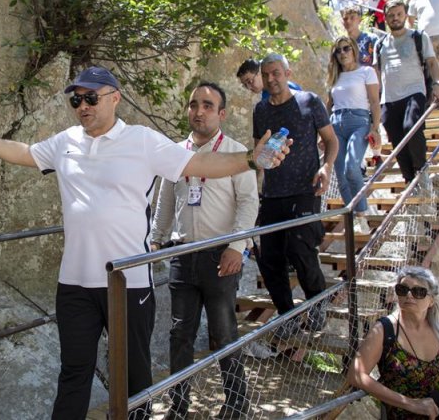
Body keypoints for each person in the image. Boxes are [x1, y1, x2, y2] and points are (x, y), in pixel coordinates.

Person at [0, 66, 290, 420]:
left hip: (127, 282)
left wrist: (249, 158)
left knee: (134, 381)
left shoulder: (142, 140)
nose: (83, 106)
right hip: (74, 284)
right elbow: (26, 152)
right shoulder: (65, 141)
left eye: (91, 97)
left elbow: (200, 162)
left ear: (114, 98)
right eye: (77, 99)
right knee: (74, 374)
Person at [150, 83, 258, 420]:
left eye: (208, 105)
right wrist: (156, 241)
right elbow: (164, 203)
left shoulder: (237, 152)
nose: (199, 110)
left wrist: (236, 247)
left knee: (223, 332)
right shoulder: (176, 154)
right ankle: (179, 406)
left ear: (221, 114)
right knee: (179, 334)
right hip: (183, 254)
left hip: (220, 255)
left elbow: (248, 203)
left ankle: (237, 404)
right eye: (194, 104)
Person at [253, 54, 338, 338]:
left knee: (300, 248)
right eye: (266, 75)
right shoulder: (260, 111)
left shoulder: (309, 102)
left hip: (305, 189)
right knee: (270, 257)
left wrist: (326, 167)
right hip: (273, 193)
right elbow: (259, 155)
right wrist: (257, 183)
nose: (271, 79)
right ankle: (286, 314)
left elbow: (330, 140)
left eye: (276, 73)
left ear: (287, 73)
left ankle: (316, 302)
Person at [347, 266, 439, 419]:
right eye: (402, 289)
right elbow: (356, 375)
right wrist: (411, 403)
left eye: (419, 292)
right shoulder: (384, 330)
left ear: (431, 300)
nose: (409, 295)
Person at [376, 0, 439, 183]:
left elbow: (431, 62)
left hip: (414, 90)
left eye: (399, 14)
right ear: (386, 18)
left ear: (405, 14)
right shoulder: (380, 44)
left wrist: (437, 84)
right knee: (397, 140)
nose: (395, 18)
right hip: (388, 98)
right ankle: (409, 179)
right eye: (391, 15)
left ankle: (421, 170)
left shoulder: (419, 37)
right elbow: (376, 74)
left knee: (411, 127)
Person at [326, 37, 381, 234]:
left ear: (354, 50)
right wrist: (322, 133)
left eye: (346, 48)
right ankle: (354, 218)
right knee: (340, 175)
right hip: (336, 123)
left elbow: (374, 102)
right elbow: (328, 105)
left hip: (359, 121)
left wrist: (375, 128)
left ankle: (362, 213)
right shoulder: (334, 77)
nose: (342, 53)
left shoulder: (366, 71)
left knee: (351, 167)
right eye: (338, 51)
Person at [236, 58, 302, 102]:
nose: (249, 87)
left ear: (260, 73)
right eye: (245, 85)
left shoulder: (287, 88)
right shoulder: (265, 97)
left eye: (249, 81)